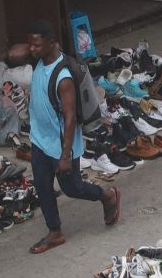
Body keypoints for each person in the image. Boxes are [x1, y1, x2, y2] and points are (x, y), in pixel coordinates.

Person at [24, 20, 121, 255]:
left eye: (36, 45)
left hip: (60, 145)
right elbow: (15, 53)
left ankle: (107, 195)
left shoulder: (63, 77)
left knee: (73, 188)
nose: (32, 50)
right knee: (43, 186)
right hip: (39, 140)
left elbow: (69, 118)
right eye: (30, 45)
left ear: (51, 43)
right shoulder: (39, 60)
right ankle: (55, 232)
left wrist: (65, 155)